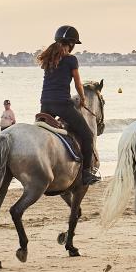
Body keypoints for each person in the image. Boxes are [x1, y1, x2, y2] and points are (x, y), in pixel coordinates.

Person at [36, 26, 98, 184]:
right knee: (87, 135)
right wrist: (83, 98)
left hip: (45, 104)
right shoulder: (71, 59)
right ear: (71, 44)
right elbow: (78, 83)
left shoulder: (48, 58)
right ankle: (86, 173)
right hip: (62, 104)